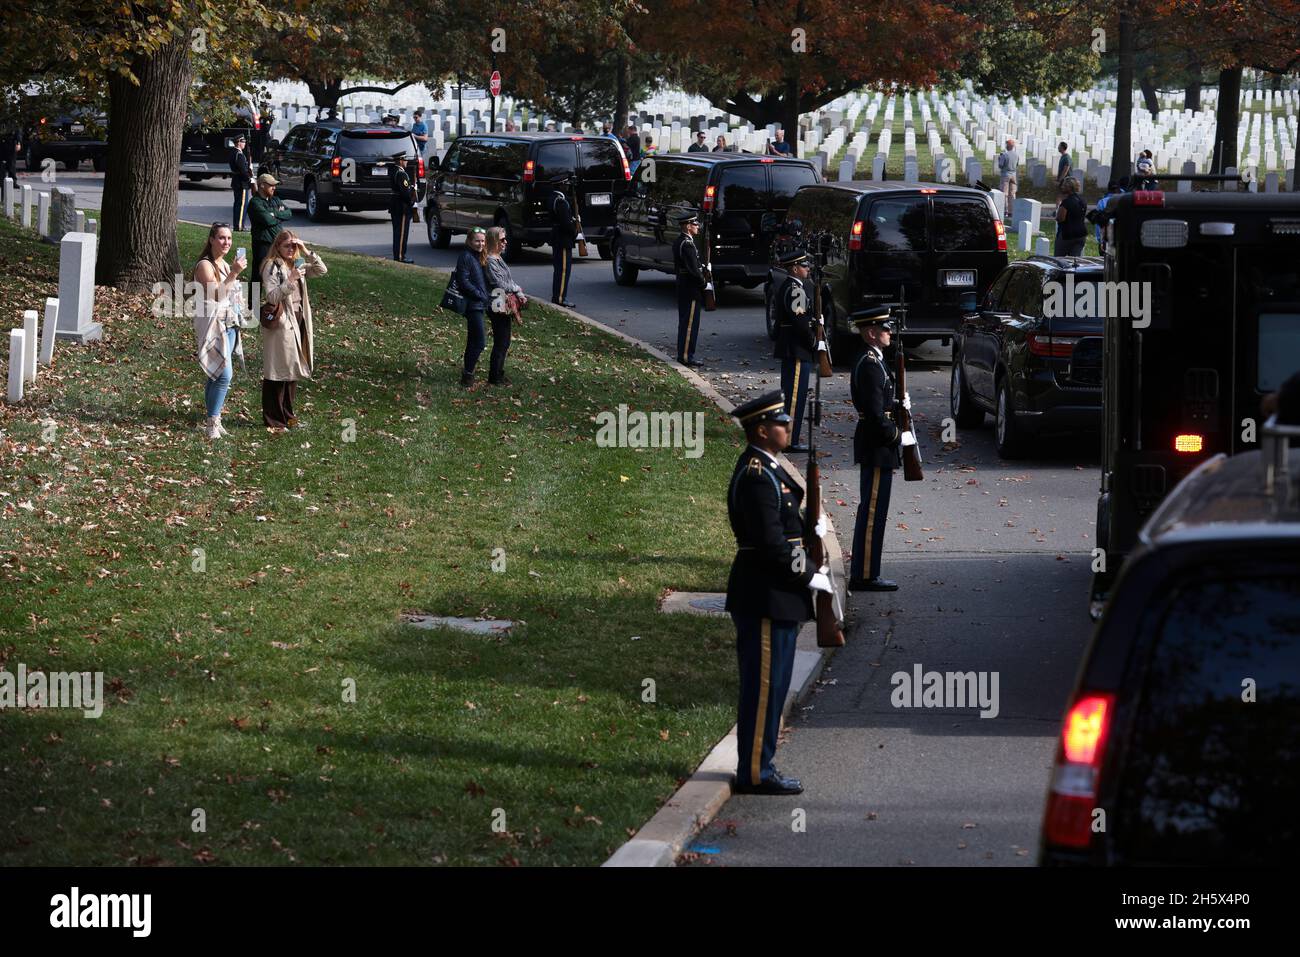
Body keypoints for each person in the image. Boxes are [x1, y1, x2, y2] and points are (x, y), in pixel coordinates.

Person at [725, 390, 834, 795]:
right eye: (781, 422)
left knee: (772, 687)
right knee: (764, 689)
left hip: (775, 593)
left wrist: (810, 527)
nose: (788, 427)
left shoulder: (768, 469)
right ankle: (755, 772)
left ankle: (761, 764)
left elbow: (784, 525)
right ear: (761, 430)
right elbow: (771, 545)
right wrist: (808, 576)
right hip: (765, 594)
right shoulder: (756, 475)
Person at [849, 307, 911, 592]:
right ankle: (864, 575)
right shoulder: (871, 364)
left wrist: (900, 405)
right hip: (877, 445)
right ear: (871, 332)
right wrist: (898, 436)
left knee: (875, 512)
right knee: (872, 513)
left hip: (879, 445)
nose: (889, 332)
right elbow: (875, 416)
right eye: (884, 328)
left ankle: (868, 572)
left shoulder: (876, 360)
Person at [260, 230, 326, 430]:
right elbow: (271, 297)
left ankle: (289, 416)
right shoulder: (272, 266)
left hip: (298, 318)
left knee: (293, 370)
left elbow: (322, 270)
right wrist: (291, 280)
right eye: (287, 246)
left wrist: (306, 250)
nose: (291, 249)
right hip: (282, 321)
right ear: (278, 247)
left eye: (293, 246)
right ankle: (273, 418)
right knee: (278, 370)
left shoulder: (298, 264)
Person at [193, 223, 247, 439]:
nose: (227, 243)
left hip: (230, 324)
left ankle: (212, 418)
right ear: (211, 240)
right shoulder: (204, 265)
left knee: (216, 375)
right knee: (224, 375)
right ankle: (212, 423)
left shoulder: (224, 264)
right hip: (212, 325)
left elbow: (231, 294)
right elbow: (216, 295)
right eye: (222, 238)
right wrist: (234, 272)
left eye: (229, 239)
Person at [773, 249, 817, 452]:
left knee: (792, 394)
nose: (807, 268)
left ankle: (788, 437)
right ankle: (790, 440)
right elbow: (800, 323)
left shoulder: (789, 286)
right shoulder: (795, 289)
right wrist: (814, 342)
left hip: (793, 348)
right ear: (794, 268)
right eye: (804, 265)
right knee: (794, 397)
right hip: (797, 349)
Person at [484, 225, 526, 385]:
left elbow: (508, 280)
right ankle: (494, 377)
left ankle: (499, 373)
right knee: (501, 342)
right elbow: (499, 283)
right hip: (496, 305)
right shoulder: (490, 261)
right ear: (494, 241)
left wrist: (518, 293)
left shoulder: (498, 257)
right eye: (502, 240)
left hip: (503, 303)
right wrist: (517, 289)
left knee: (505, 341)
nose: (505, 242)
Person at [248, 173, 292, 298]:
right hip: (263, 244)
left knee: (279, 274)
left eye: (275, 185)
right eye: (271, 185)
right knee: (259, 274)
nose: (274, 188)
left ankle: (276, 305)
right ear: (262, 185)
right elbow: (268, 220)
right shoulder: (255, 203)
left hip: (278, 244)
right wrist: (277, 215)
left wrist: (274, 214)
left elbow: (289, 213)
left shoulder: (275, 200)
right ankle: (253, 308)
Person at [457, 227, 491, 387]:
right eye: (477, 240)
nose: (480, 244)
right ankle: (468, 374)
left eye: (483, 241)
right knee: (480, 342)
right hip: (472, 305)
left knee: (473, 340)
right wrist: (480, 295)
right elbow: (463, 282)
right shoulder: (465, 256)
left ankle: (467, 375)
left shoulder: (480, 256)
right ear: (469, 241)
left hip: (480, 304)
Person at [672, 209, 706, 367]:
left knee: (686, 322)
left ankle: (684, 354)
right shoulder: (687, 245)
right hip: (691, 289)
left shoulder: (681, 241)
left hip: (684, 287)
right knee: (690, 324)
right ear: (686, 226)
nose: (697, 226)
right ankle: (686, 356)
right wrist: (704, 283)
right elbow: (693, 270)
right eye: (694, 223)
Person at [548, 174, 578, 307]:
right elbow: (566, 223)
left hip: (558, 237)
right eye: (566, 184)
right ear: (560, 185)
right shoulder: (561, 201)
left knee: (559, 269)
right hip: (563, 239)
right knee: (564, 270)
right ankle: (560, 298)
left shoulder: (553, 198)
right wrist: (575, 230)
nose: (567, 187)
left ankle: (558, 296)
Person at [387, 150, 417, 263]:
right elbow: (405, 193)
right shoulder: (401, 173)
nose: (407, 161)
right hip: (401, 206)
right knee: (401, 233)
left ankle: (398, 255)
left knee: (397, 231)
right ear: (400, 161)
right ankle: (400, 256)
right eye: (404, 159)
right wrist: (412, 199)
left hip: (395, 204)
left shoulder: (394, 171)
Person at [1055, 176, 1087, 257]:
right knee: (1075, 261)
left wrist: (1057, 215)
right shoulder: (1082, 200)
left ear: (1069, 188)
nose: (1062, 187)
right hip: (1081, 234)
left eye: (1064, 185)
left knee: (1059, 260)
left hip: (1067, 234)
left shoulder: (1066, 202)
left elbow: (1060, 218)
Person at [230, 134, 253, 232]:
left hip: (237, 181)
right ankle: (239, 226)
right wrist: (249, 179)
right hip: (241, 182)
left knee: (238, 204)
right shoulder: (239, 154)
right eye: (243, 142)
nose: (244, 143)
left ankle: (237, 225)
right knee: (242, 205)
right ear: (238, 142)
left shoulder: (234, 152)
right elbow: (243, 170)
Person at [997, 137, 1018, 207]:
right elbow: (1017, 164)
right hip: (1014, 174)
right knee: (1013, 193)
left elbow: (1000, 165)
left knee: (1004, 192)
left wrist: (999, 159)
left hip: (1006, 174)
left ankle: (1005, 210)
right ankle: (1012, 210)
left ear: (1007, 146)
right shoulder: (1016, 155)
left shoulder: (1004, 155)